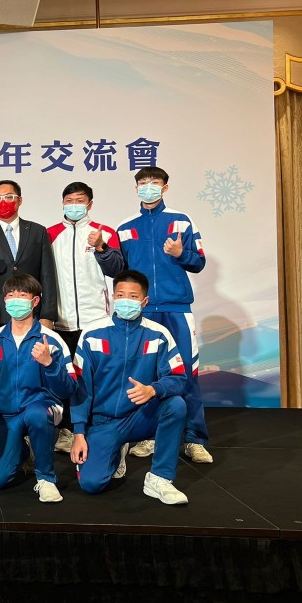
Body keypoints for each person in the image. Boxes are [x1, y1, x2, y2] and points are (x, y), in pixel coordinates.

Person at [96, 167, 211, 464]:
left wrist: (180, 254)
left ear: (165, 187)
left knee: (185, 372)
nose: (149, 187)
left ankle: (194, 438)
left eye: (155, 182)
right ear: (136, 188)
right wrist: (102, 249)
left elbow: (199, 262)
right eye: (143, 183)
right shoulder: (125, 226)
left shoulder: (181, 220)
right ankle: (149, 434)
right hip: (142, 310)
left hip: (176, 309)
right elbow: (117, 270)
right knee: (145, 375)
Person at [70, 270, 190, 505]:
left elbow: (178, 378)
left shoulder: (159, 334)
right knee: (91, 484)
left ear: (144, 301)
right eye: (120, 295)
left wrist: (153, 390)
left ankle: (159, 478)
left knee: (176, 405)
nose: (126, 300)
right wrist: (79, 433)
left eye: (133, 296)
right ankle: (116, 450)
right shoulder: (92, 334)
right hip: (104, 422)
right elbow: (80, 388)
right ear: (113, 297)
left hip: (141, 416)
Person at [0, 274, 75, 503]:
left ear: (35, 301)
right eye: (11, 295)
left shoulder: (51, 340)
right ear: (5, 300)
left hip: (40, 407)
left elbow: (69, 388)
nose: (15, 300)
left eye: (22, 295)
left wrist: (49, 364)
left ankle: (46, 478)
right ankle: (23, 449)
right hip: (5, 414)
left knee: (36, 414)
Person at [45, 182, 123, 454]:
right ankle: (68, 429)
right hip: (60, 322)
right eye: (69, 200)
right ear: (62, 203)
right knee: (67, 378)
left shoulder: (105, 232)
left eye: (80, 200)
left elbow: (117, 270)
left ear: (90, 204)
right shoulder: (50, 234)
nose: (74, 205)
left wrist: (101, 247)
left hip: (95, 321)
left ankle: (98, 427)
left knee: (96, 378)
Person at [0, 180, 57, 333]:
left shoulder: (38, 231)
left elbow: (48, 276)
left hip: (31, 312)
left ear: (20, 200)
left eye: (9, 197)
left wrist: (47, 315)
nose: (3, 202)